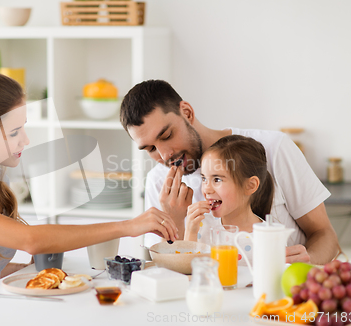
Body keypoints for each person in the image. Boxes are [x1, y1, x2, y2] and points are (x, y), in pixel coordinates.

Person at [0, 71, 178, 325]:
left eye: (23, 127)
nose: (25, 140)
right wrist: (127, 226)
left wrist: (32, 271)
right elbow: (30, 240)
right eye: (14, 133)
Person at [120, 79, 339, 265]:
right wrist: (176, 224)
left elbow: (325, 235)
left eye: (167, 136)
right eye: (149, 148)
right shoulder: (159, 182)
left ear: (187, 113)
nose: (165, 154)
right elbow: (169, 273)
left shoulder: (273, 148)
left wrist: (306, 260)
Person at [184, 135, 274, 265]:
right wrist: (190, 231)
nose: (206, 189)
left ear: (250, 186)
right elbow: (187, 274)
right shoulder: (202, 226)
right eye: (204, 178)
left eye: (217, 179)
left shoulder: (270, 235)